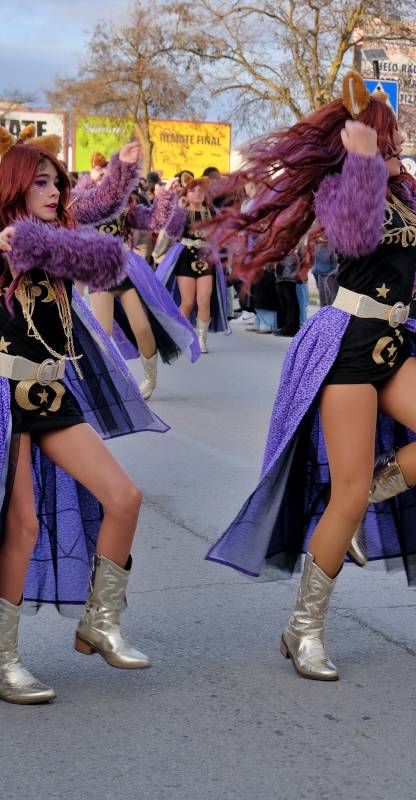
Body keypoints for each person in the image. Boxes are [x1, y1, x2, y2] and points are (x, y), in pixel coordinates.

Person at [203, 72, 416, 682]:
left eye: (392, 136)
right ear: (357, 141)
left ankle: (361, 497)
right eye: (383, 136)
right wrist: (367, 165)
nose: (394, 144)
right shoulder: (341, 188)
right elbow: (355, 235)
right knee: (344, 498)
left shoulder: (409, 194)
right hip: (346, 344)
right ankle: (304, 629)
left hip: (394, 343)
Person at [0, 126, 166, 705]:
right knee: (22, 525)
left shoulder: (57, 235)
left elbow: (93, 210)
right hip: (6, 397)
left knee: (124, 498)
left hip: (52, 396)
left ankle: (100, 621)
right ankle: (5, 660)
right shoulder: (5, 241)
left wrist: (121, 172)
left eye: (57, 182)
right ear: (14, 187)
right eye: (41, 183)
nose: (54, 191)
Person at [74, 145, 197, 399]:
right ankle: (105, 382)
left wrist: (165, 196)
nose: (106, 177)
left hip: (126, 268)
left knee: (142, 327)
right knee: (103, 333)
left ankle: (150, 378)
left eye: (110, 174)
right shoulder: (83, 205)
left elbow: (154, 220)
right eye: (102, 174)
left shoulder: (126, 206)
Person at [155, 177, 231, 353]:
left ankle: (201, 340)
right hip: (186, 257)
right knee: (187, 302)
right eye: (193, 190)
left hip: (206, 258)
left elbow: (222, 237)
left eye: (201, 191)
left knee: (204, 300)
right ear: (186, 194)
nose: (198, 194)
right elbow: (171, 232)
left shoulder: (213, 213)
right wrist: (179, 210)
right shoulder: (181, 211)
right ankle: (182, 338)